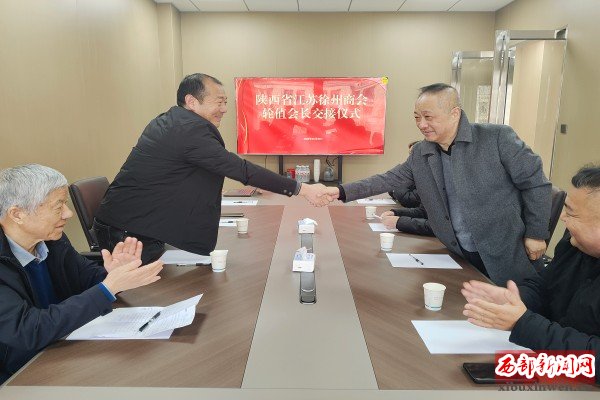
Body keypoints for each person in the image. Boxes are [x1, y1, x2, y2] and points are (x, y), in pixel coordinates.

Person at [322, 83, 551, 285]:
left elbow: (536, 183)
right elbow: (388, 179)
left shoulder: (496, 138)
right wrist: (339, 191)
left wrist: (536, 233)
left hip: (507, 253)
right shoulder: (422, 152)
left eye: (428, 117)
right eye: (416, 117)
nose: (421, 124)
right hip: (459, 254)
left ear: (454, 113)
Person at [95, 73, 328, 263]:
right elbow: (240, 169)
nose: (224, 109)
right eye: (219, 102)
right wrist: (303, 189)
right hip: (129, 234)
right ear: (191, 102)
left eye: (225, 102)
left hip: (139, 225)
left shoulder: (175, 121)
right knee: (146, 294)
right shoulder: (188, 130)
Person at [0, 164, 164, 384]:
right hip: (19, 376)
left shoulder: (51, 240)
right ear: (17, 214)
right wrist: (108, 287)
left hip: (61, 349)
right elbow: (28, 330)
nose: (68, 213)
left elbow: (87, 278)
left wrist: (113, 274)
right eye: (58, 206)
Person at [461, 165, 600, 383]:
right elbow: (545, 286)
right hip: (547, 360)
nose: (563, 217)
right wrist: (514, 299)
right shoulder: (574, 244)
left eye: (572, 213)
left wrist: (523, 324)